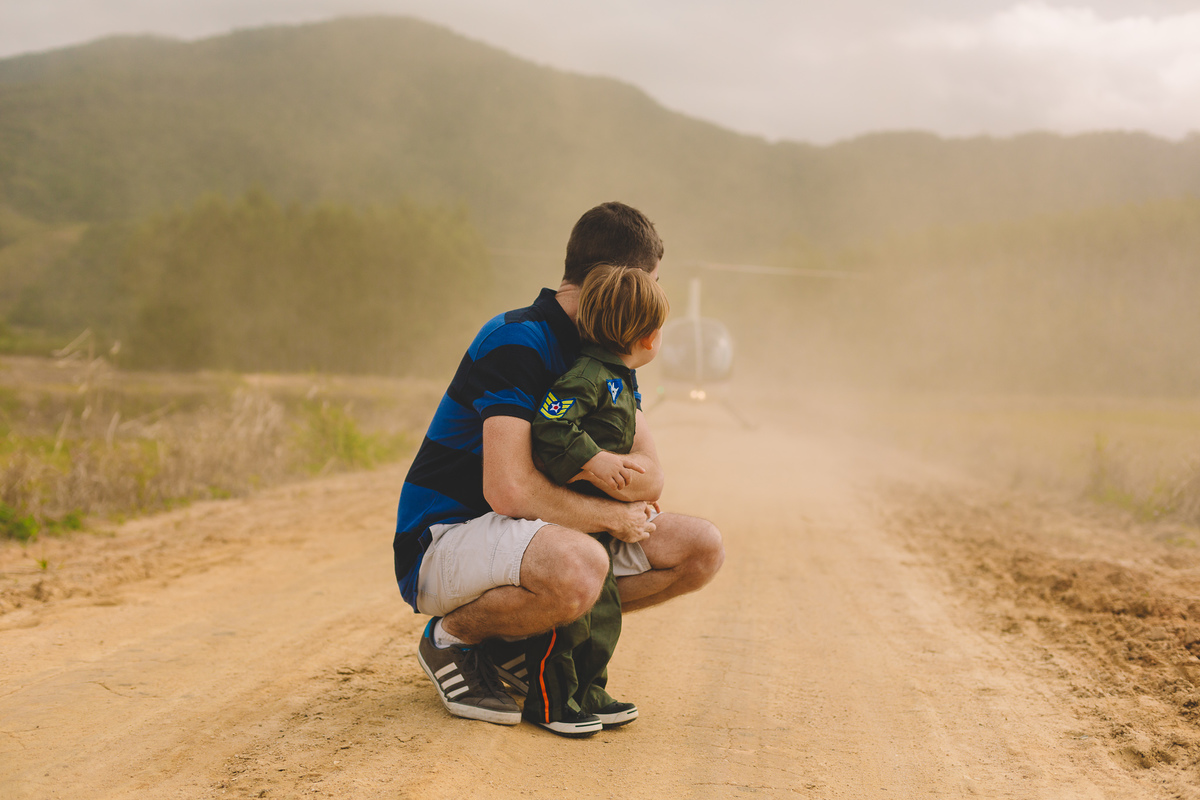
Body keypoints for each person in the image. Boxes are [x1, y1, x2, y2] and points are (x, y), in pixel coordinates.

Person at [392, 201, 724, 734]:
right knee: (580, 565)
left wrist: (614, 477)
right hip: (445, 539)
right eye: (653, 282)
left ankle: (521, 635)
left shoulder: (611, 349)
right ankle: (454, 637)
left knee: (700, 549)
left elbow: (652, 474)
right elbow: (509, 491)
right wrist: (612, 511)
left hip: (536, 537)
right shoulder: (517, 339)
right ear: (622, 279)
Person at [516, 264, 669, 737]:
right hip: (569, 517)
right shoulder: (587, 376)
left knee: (603, 615)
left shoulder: (619, 380)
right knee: (572, 618)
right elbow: (549, 425)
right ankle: (551, 699)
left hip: (598, 525)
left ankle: (589, 691)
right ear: (647, 337)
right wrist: (595, 461)